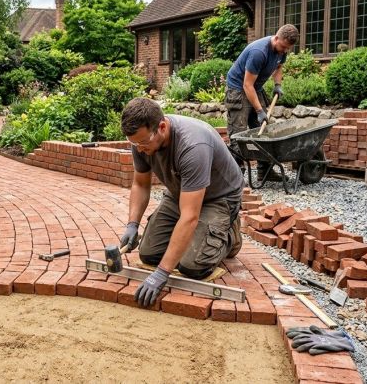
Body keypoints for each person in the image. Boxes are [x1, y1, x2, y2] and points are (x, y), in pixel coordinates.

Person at [119, 97, 244, 307]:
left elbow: (189, 216)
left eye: (143, 143)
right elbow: (140, 184)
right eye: (134, 143)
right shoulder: (141, 140)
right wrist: (132, 224)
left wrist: (162, 273)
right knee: (148, 254)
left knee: (193, 266)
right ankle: (194, 238)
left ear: (161, 127)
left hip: (218, 198)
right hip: (180, 192)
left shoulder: (193, 146)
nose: (139, 149)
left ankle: (230, 233)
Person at [224, 24, 299, 181]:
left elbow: (279, 67)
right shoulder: (258, 52)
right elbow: (247, 85)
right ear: (276, 38)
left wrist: (277, 85)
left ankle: (265, 172)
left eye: (287, 49)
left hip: (255, 87)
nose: (284, 51)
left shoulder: (281, 49)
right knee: (238, 134)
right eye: (283, 47)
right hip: (238, 89)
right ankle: (234, 176)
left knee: (263, 131)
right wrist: (259, 111)